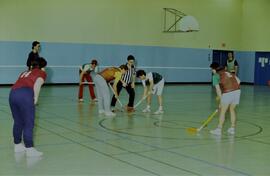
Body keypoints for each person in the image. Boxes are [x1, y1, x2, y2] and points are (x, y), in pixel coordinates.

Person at [10, 57, 47, 157]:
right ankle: (30, 149)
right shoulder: (41, 73)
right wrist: (35, 98)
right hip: (25, 94)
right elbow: (38, 83)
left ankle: (17, 145)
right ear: (42, 67)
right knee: (28, 122)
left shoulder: (25, 72)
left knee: (18, 121)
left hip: (13, 93)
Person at [209, 62, 241, 135]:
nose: (211, 71)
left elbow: (218, 90)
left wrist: (221, 101)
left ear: (214, 69)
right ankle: (232, 129)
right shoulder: (227, 72)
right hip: (237, 91)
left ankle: (219, 129)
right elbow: (238, 81)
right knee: (232, 109)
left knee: (222, 111)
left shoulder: (215, 76)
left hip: (228, 92)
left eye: (212, 69)